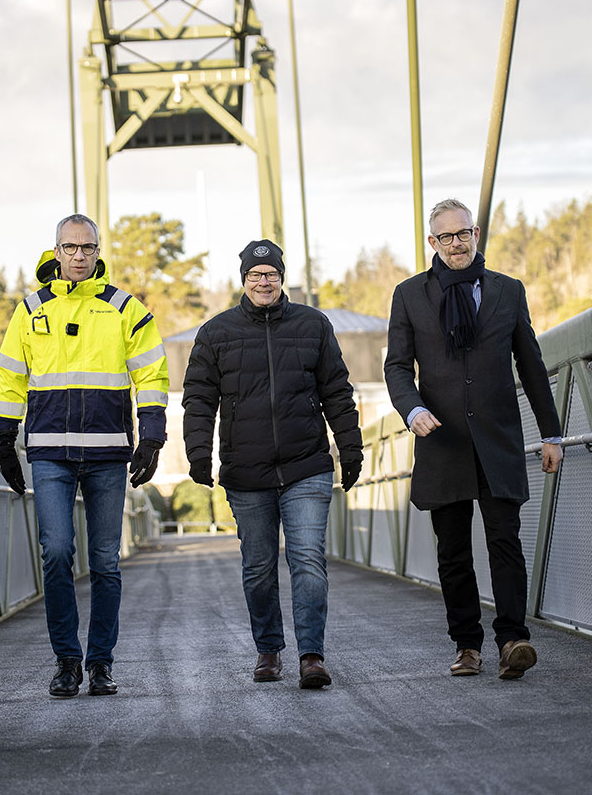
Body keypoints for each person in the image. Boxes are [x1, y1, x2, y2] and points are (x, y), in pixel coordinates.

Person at [384, 198, 562, 680]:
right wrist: (412, 408)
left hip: (497, 441)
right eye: (445, 237)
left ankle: (512, 640)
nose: (456, 243)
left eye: (463, 234)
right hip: (443, 443)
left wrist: (552, 432)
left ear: (476, 234)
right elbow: (397, 366)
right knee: (453, 551)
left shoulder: (507, 290)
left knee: (505, 541)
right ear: (432, 243)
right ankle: (467, 645)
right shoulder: (409, 295)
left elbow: (530, 363)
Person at [0, 214, 169, 698]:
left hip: (109, 452)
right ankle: (67, 661)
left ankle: (101, 664)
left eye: (87, 248)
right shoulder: (29, 311)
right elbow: (10, 377)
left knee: (106, 562)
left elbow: (152, 374)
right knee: (57, 552)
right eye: (69, 248)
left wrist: (151, 435)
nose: (78, 256)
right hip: (50, 452)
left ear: (97, 252)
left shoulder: (124, 309)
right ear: (56, 251)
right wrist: (3, 438)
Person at [182, 239, 362, 689]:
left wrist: (351, 448)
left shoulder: (313, 325)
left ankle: (311, 656)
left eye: (272, 274)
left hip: (306, 466)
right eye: (255, 275)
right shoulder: (216, 333)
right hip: (247, 472)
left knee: (307, 559)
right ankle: (268, 649)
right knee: (259, 567)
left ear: (282, 277)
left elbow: (337, 392)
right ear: (243, 280)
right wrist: (199, 454)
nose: (264, 282)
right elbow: (199, 401)